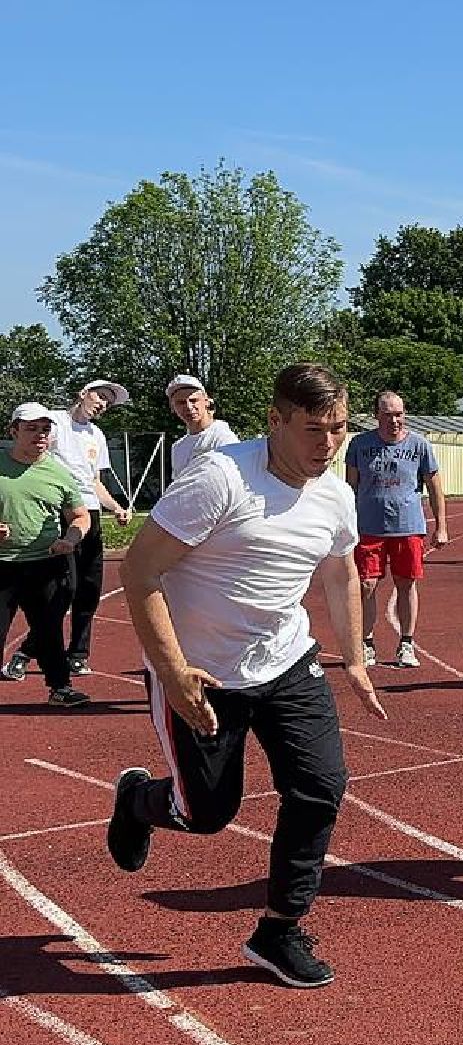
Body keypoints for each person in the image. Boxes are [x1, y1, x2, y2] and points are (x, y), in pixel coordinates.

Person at [104, 363, 385, 989]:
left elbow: (339, 573)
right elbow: (140, 572)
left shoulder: (335, 493)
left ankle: (279, 929)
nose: (329, 444)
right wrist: (173, 672)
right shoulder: (219, 479)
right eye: (314, 429)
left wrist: (357, 659)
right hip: (203, 673)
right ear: (274, 420)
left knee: (320, 787)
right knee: (207, 813)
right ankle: (138, 801)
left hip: (288, 662)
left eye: (339, 429)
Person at [5, 379, 135, 680]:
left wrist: (116, 508)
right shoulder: (55, 423)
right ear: (83, 394)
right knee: (65, 590)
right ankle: (27, 651)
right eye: (100, 396)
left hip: (88, 514)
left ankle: (78, 654)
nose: (103, 403)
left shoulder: (97, 435)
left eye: (108, 401)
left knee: (89, 589)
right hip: (60, 513)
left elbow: (95, 481)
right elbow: (33, 457)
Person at [343, 391, 446, 668]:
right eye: (388, 415)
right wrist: (343, 524)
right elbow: (349, 488)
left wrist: (441, 526)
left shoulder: (419, 445)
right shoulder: (359, 445)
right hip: (368, 527)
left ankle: (406, 643)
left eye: (399, 414)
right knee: (366, 585)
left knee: (406, 583)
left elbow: (434, 486)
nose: (394, 420)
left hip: (408, 526)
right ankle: (366, 643)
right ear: (377, 415)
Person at [0, 403, 92, 706]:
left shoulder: (57, 472)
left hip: (45, 563)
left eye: (45, 429)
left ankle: (60, 687)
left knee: (49, 630)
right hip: (3, 566)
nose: (40, 435)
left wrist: (70, 539)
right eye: (31, 428)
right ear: (13, 431)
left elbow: (80, 516)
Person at [165, 374, 239, 484]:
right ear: (173, 407)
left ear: (206, 401)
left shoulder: (223, 438)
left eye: (194, 400)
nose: (189, 407)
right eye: (181, 402)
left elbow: (234, 484)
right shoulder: (178, 448)